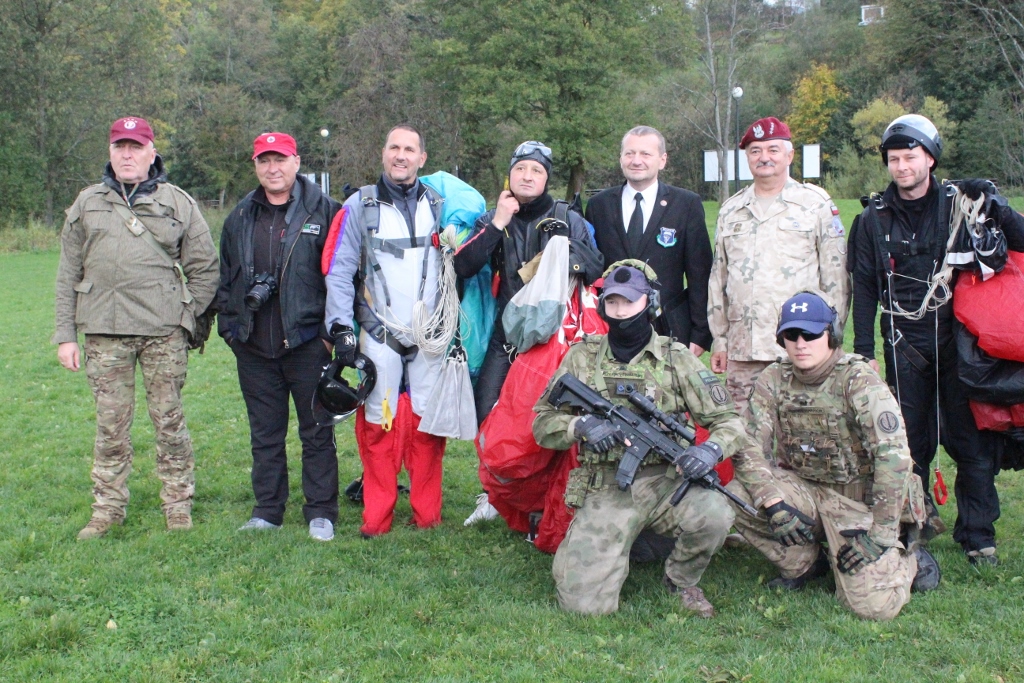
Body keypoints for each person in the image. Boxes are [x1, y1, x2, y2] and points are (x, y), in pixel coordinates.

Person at [848, 114, 1024, 565]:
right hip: (903, 341)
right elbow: (864, 287)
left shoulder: (961, 206)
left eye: (910, 157)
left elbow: (1021, 240)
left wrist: (998, 205)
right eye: (894, 159)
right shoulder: (872, 219)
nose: (902, 166)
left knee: (972, 442)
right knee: (909, 442)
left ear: (930, 158)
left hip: (959, 343)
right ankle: (914, 524)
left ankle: (978, 535)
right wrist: (865, 352)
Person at [532, 263, 754, 617]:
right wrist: (581, 426)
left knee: (715, 513)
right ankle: (616, 546)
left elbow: (729, 422)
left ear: (650, 304)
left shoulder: (676, 358)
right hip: (608, 486)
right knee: (584, 607)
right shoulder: (582, 357)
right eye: (612, 302)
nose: (620, 311)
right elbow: (542, 423)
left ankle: (680, 580)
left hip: (668, 482)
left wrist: (709, 451)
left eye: (629, 302)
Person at [727, 291, 940, 620]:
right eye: (791, 335)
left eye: (811, 334)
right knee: (737, 495)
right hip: (806, 490)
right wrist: (773, 502)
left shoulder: (857, 380)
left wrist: (880, 536)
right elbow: (749, 445)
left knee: (873, 608)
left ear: (832, 335)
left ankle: (907, 556)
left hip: (860, 502)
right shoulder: (775, 378)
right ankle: (805, 564)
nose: (801, 343)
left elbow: (894, 458)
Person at [54, 116, 218, 539]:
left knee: (169, 422)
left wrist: (184, 318)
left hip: (163, 334)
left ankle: (177, 504)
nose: (127, 155)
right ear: (110, 152)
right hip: (104, 333)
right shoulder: (87, 203)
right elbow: (67, 272)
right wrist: (66, 335)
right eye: (120, 147)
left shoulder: (178, 203)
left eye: (136, 147)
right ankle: (107, 508)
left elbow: (205, 270)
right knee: (110, 427)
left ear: (151, 153)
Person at [455, 140, 603, 526]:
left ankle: (548, 494)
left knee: (551, 417)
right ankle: (493, 493)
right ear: (510, 174)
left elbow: (595, 267)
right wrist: (498, 224)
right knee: (488, 411)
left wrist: (563, 254)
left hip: (555, 339)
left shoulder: (567, 216)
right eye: (520, 169)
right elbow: (464, 265)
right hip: (507, 335)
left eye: (536, 171)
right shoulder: (494, 217)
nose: (527, 176)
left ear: (546, 179)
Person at [323, 124, 448, 537]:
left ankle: (427, 515)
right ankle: (377, 518)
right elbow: (340, 270)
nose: (401, 155)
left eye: (409, 149)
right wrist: (341, 328)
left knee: (428, 426)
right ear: (383, 153)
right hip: (380, 333)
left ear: (422, 158)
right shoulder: (360, 205)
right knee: (378, 425)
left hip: (428, 335)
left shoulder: (439, 204)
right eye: (394, 147)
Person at [217, 132, 342, 541]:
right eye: (264, 160)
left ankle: (320, 511)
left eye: (280, 159)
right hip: (254, 346)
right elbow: (226, 277)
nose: (273, 168)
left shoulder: (325, 211)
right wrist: (231, 330)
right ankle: (267, 510)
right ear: (255, 165)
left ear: (296, 161)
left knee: (317, 431)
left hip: (307, 342)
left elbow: (343, 277)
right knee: (265, 434)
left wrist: (327, 337)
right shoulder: (240, 216)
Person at [708, 117, 850, 413]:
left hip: (801, 344)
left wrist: (831, 337)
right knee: (744, 433)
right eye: (755, 151)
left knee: (804, 429)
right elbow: (718, 279)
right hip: (744, 350)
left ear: (789, 155)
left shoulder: (815, 204)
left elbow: (836, 277)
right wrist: (719, 339)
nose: (764, 157)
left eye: (773, 149)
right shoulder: (731, 210)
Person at [585, 126, 713, 354]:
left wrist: (700, 333)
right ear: (621, 158)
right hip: (612, 328)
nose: (636, 160)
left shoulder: (686, 204)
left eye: (645, 154)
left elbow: (700, 273)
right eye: (630, 153)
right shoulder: (599, 205)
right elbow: (592, 271)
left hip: (668, 329)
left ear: (662, 160)